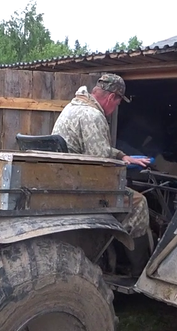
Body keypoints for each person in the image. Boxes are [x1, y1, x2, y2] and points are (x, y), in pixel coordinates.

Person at [52, 73, 151, 242]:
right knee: (140, 202)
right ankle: (131, 263)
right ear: (111, 97)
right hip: (81, 186)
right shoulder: (93, 116)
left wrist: (122, 156)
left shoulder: (72, 108)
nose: (115, 109)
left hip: (63, 177)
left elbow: (93, 148)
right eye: (118, 103)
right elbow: (102, 165)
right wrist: (122, 169)